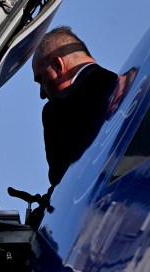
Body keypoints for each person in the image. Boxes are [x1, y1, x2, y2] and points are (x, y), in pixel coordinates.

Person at [32, 26, 118, 187]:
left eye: (41, 79)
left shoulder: (59, 108)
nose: (42, 93)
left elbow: (63, 185)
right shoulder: (123, 85)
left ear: (58, 66)